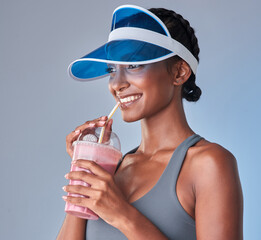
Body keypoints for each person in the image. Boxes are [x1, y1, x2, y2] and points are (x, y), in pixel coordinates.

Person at [57, 5, 243, 240]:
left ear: (179, 72)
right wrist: (83, 168)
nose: (117, 84)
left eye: (134, 65)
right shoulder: (112, 171)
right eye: (112, 70)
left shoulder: (209, 164)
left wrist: (123, 215)